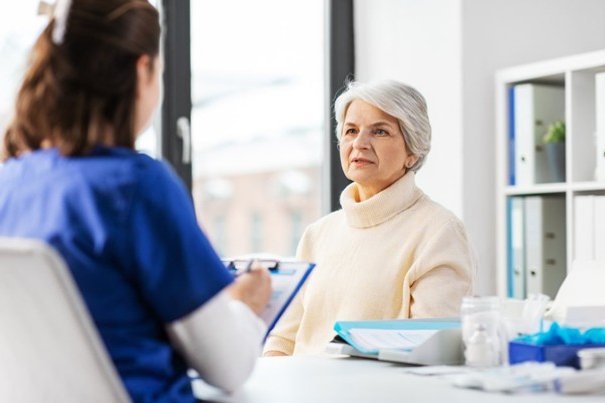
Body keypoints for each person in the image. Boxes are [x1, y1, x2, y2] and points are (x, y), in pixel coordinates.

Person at [0, 1, 271, 401]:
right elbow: (228, 366)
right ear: (142, 70)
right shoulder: (136, 187)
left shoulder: (10, 182)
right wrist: (246, 303)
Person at [263, 80, 476, 356]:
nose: (359, 144)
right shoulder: (318, 234)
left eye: (380, 131)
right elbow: (283, 339)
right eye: (351, 131)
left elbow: (433, 353)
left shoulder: (439, 232)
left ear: (412, 152)